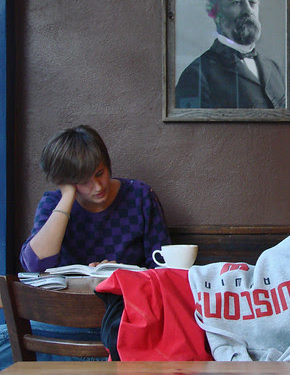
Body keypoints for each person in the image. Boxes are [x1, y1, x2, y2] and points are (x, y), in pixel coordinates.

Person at [0, 125, 171, 369]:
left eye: (100, 173)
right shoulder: (53, 203)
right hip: (63, 322)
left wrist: (122, 274)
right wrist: (67, 198)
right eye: (83, 181)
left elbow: (163, 268)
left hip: (123, 321)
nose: (98, 186)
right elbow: (35, 264)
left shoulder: (139, 196)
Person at [176, 0, 286, 109]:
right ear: (216, 14)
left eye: (252, 2)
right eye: (236, 2)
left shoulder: (274, 68)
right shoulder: (196, 75)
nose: (248, 10)